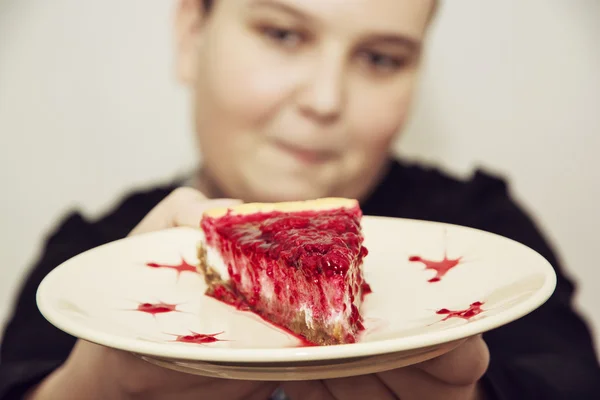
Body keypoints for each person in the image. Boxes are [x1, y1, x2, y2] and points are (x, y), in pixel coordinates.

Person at [1, 0, 599, 398]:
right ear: (191, 35)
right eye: (283, 34)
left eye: (380, 58)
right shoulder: (89, 257)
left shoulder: (482, 235)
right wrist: (89, 385)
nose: (325, 98)